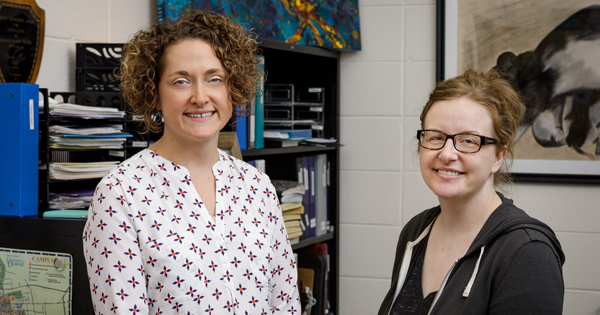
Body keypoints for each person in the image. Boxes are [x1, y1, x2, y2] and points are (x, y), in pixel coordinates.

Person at [82, 10, 301, 314]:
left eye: (214, 79)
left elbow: (285, 303)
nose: (200, 96)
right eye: (181, 81)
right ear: (154, 94)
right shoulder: (120, 194)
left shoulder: (258, 187)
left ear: (232, 89)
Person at [378, 69, 565, 315]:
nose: (446, 154)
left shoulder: (527, 253)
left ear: (498, 156)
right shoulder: (416, 232)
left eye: (468, 141)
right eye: (435, 137)